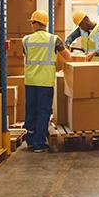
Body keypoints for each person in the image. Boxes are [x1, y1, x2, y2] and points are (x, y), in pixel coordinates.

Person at [23, 10, 71, 153]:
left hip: (30, 80)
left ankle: (30, 140)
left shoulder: (25, 40)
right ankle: (39, 143)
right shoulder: (54, 39)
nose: (31, 25)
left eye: (32, 22)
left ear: (36, 23)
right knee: (43, 111)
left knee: (30, 109)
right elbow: (67, 56)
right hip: (45, 81)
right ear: (45, 24)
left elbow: (26, 55)